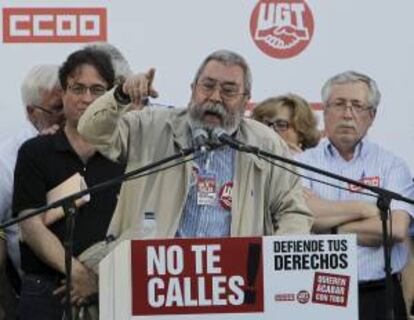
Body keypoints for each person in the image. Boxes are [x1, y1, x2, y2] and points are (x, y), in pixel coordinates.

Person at [78, 49, 313, 241]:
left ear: (245, 100)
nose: (215, 97)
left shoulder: (265, 143)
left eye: (228, 91)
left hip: (234, 278)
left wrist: (273, 259)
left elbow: (293, 211)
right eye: (207, 86)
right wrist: (120, 95)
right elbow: (91, 130)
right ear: (193, 89)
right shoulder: (151, 126)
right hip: (155, 273)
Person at [12, 48, 125, 320]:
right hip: (46, 291)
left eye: (97, 90)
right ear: (62, 94)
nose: (87, 99)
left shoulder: (124, 153)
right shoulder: (35, 151)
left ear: (111, 95)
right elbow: (30, 224)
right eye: (77, 88)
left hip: (110, 289)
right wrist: (79, 274)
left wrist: (96, 279)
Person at [296, 70, 414, 320]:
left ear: (371, 116)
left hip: (379, 294)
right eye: (339, 104)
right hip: (318, 291)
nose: (347, 114)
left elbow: (395, 228)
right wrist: (365, 209)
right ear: (325, 111)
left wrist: (331, 232)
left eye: (357, 106)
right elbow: (302, 217)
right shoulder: (299, 163)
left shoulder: (392, 165)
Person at [0, 64, 64, 320]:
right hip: (35, 294)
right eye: (56, 109)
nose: (67, 115)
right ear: (31, 112)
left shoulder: (91, 144)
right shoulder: (7, 160)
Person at [252, 93, 320, 154]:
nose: (270, 130)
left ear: (301, 134)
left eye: (281, 125)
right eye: (265, 124)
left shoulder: (314, 165)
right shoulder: (248, 158)